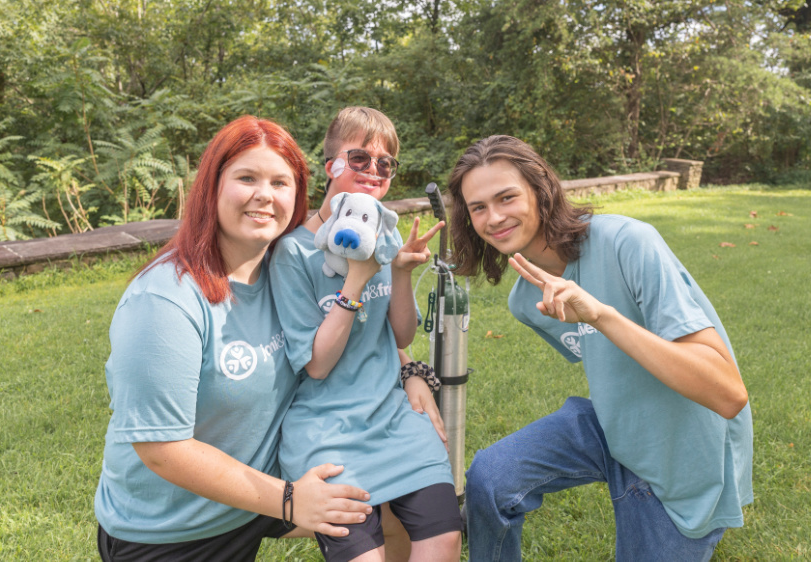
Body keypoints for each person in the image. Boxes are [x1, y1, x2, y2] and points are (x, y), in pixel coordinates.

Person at [445, 135, 753, 561]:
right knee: (490, 477)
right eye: (478, 207)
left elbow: (729, 394)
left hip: (687, 451)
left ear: (540, 189)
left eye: (506, 197)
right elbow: (610, 364)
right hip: (614, 426)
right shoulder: (526, 300)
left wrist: (600, 314)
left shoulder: (629, 242)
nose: (494, 218)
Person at [93, 116, 377, 562]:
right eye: (247, 178)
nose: (265, 194)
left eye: (280, 183)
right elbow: (162, 449)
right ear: (212, 187)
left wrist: (413, 372)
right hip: (172, 530)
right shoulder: (164, 300)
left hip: (260, 494)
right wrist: (290, 500)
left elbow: (357, 340)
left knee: (396, 505)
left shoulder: (288, 273)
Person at [270, 107, 463, 562]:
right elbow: (317, 366)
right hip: (326, 428)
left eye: (385, 163)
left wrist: (399, 273)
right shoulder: (293, 253)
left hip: (393, 418)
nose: (373, 169)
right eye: (359, 158)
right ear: (331, 166)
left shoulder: (387, 238)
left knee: (445, 540)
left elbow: (401, 335)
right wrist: (356, 281)